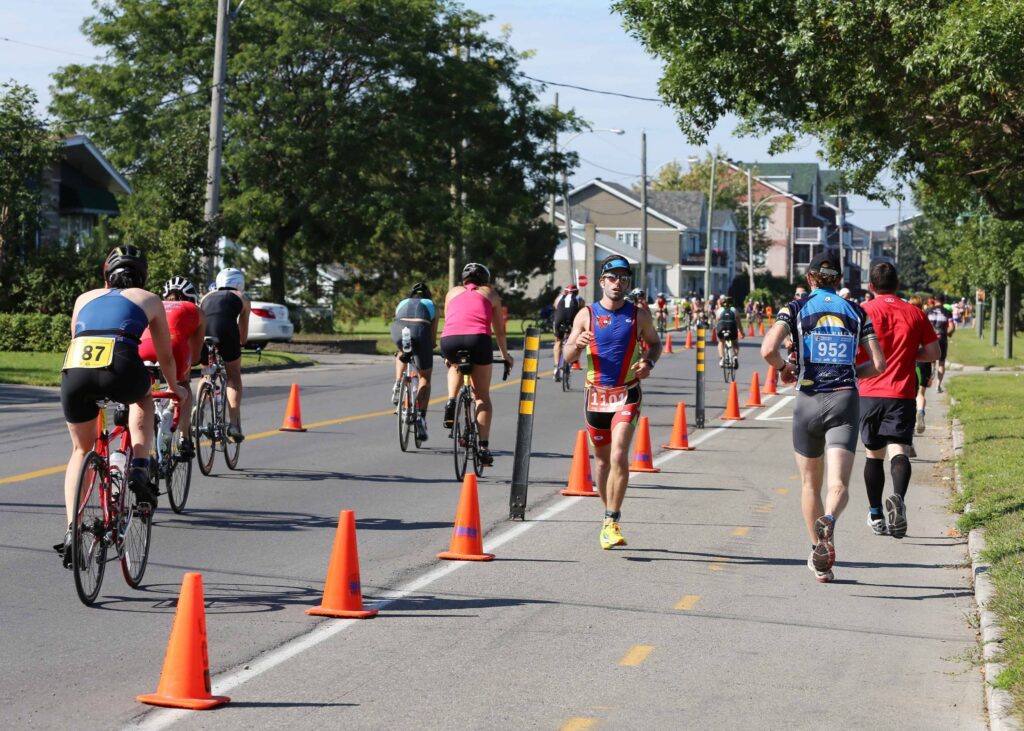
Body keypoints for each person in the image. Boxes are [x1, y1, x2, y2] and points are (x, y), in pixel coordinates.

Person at [56, 246, 187, 566]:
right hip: (122, 365)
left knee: (80, 450)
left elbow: (78, 338)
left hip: (74, 372)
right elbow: (165, 355)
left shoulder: (83, 298)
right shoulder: (149, 298)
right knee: (144, 396)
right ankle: (141, 465)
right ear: (141, 275)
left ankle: (73, 528)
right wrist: (173, 387)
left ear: (106, 276)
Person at [761, 251, 885, 582]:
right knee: (839, 483)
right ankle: (830, 519)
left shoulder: (796, 308)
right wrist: (851, 371)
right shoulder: (858, 311)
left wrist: (786, 368)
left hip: (808, 397)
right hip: (844, 398)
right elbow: (879, 363)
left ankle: (818, 552)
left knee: (808, 484)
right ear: (840, 280)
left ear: (810, 278)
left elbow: (768, 350)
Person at [562, 255, 662, 550]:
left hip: (627, 393)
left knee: (619, 455)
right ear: (602, 282)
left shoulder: (638, 315)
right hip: (595, 396)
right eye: (613, 278)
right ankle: (608, 516)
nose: (618, 284)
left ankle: (611, 519)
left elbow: (654, 344)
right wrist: (576, 347)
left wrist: (648, 363)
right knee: (603, 461)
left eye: (624, 279)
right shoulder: (586, 314)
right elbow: (567, 357)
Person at [857, 264, 940, 538]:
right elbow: (933, 351)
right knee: (899, 451)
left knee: (873, 455)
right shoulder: (915, 312)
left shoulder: (862, 311)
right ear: (898, 283)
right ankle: (899, 499)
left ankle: (876, 513)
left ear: (871, 286)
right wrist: (906, 354)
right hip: (902, 393)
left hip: (869, 392)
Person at [439, 262, 513, 467]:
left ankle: (451, 400)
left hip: (449, 339)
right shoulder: (491, 294)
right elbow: (499, 331)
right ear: (484, 280)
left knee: (454, 364)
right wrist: (505, 355)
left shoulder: (452, 292)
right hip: (478, 339)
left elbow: (449, 321)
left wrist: (447, 352)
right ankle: (483, 447)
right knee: (482, 397)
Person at [137, 276, 206, 458]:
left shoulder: (155, 303)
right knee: (183, 384)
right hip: (172, 347)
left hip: (142, 347)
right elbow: (196, 355)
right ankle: (184, 437)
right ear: (191, 297)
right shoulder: (195, 310)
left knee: (143, 391)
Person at [200, 267, 251, 442]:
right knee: (234, 376)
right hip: (226, 330)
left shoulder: (206, 296)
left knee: (206, 372)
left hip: (203, 332)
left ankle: (199, 411)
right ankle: (234, 424)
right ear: (239, 284)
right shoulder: (242, 298)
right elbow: (243, 338)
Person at [390, 282, 438, 442]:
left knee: (402, 351)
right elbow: (431, 340)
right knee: (425, 378)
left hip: (398, 328)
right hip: (420, 329)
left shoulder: (402, 303)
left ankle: (397, 383)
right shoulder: (431, 305)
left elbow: (396, 318)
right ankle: (420, 417)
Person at [552, 284, 584, 381]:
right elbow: (582, 311)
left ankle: (556, 366)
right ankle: (574, 361)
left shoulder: (559, 298)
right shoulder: (579, 299)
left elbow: (555, 307)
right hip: (572, 320)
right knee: (577, 340)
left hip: (559, 320)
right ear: (576, 292)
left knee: (558, 341)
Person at [926, 294, 955, 393]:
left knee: (931, 361)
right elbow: (951, 327)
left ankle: (931, 373)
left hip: (930, 339)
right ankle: (938, 385)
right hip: (942, 338)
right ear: (944, 301)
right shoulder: (947, 312)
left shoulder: (928, 312)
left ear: (935, 300)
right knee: (941, 362)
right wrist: (949, 334)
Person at [715, 295, 740, 368]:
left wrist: (715, 329)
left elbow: (716, 322)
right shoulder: (734, 309)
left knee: (721, 342)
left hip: (721, 328)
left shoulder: (719, 310)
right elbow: (738, 322)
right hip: (732, 328)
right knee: (735, 343)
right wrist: (741, 331)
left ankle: (722, 359)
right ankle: (735, 357)